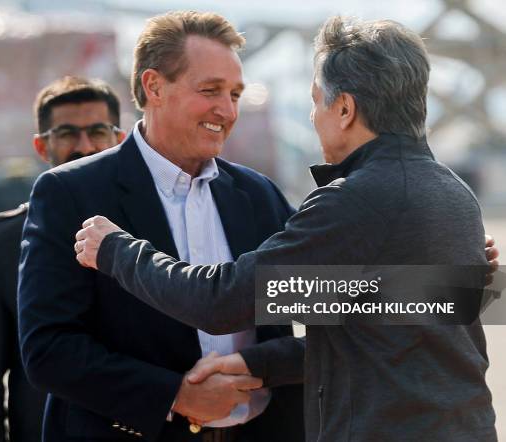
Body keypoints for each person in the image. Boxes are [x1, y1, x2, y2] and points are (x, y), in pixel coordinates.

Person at [76, 16, 500, 441]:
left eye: (316, 102)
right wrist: (259, 364)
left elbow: (220, 302)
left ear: (345, 109)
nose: (314, 117)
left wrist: (116, 250)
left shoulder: (353, 200)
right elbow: (376, 315)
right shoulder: (453, 192)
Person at [19, 11, 304, 442]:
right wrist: (175, 396)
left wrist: (258, 367)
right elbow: (49, 349)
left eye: (235, 94)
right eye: (209, 90)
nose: (226, 110)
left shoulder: (260, 194)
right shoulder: (70, 192)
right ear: (153, 86)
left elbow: (326, 317)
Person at [0, 76, 124, 442]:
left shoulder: (153, 228)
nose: (84, 146)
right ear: (40, 145)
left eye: (97, 131)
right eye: (67, 133)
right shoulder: (2, 240)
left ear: (120, 139)